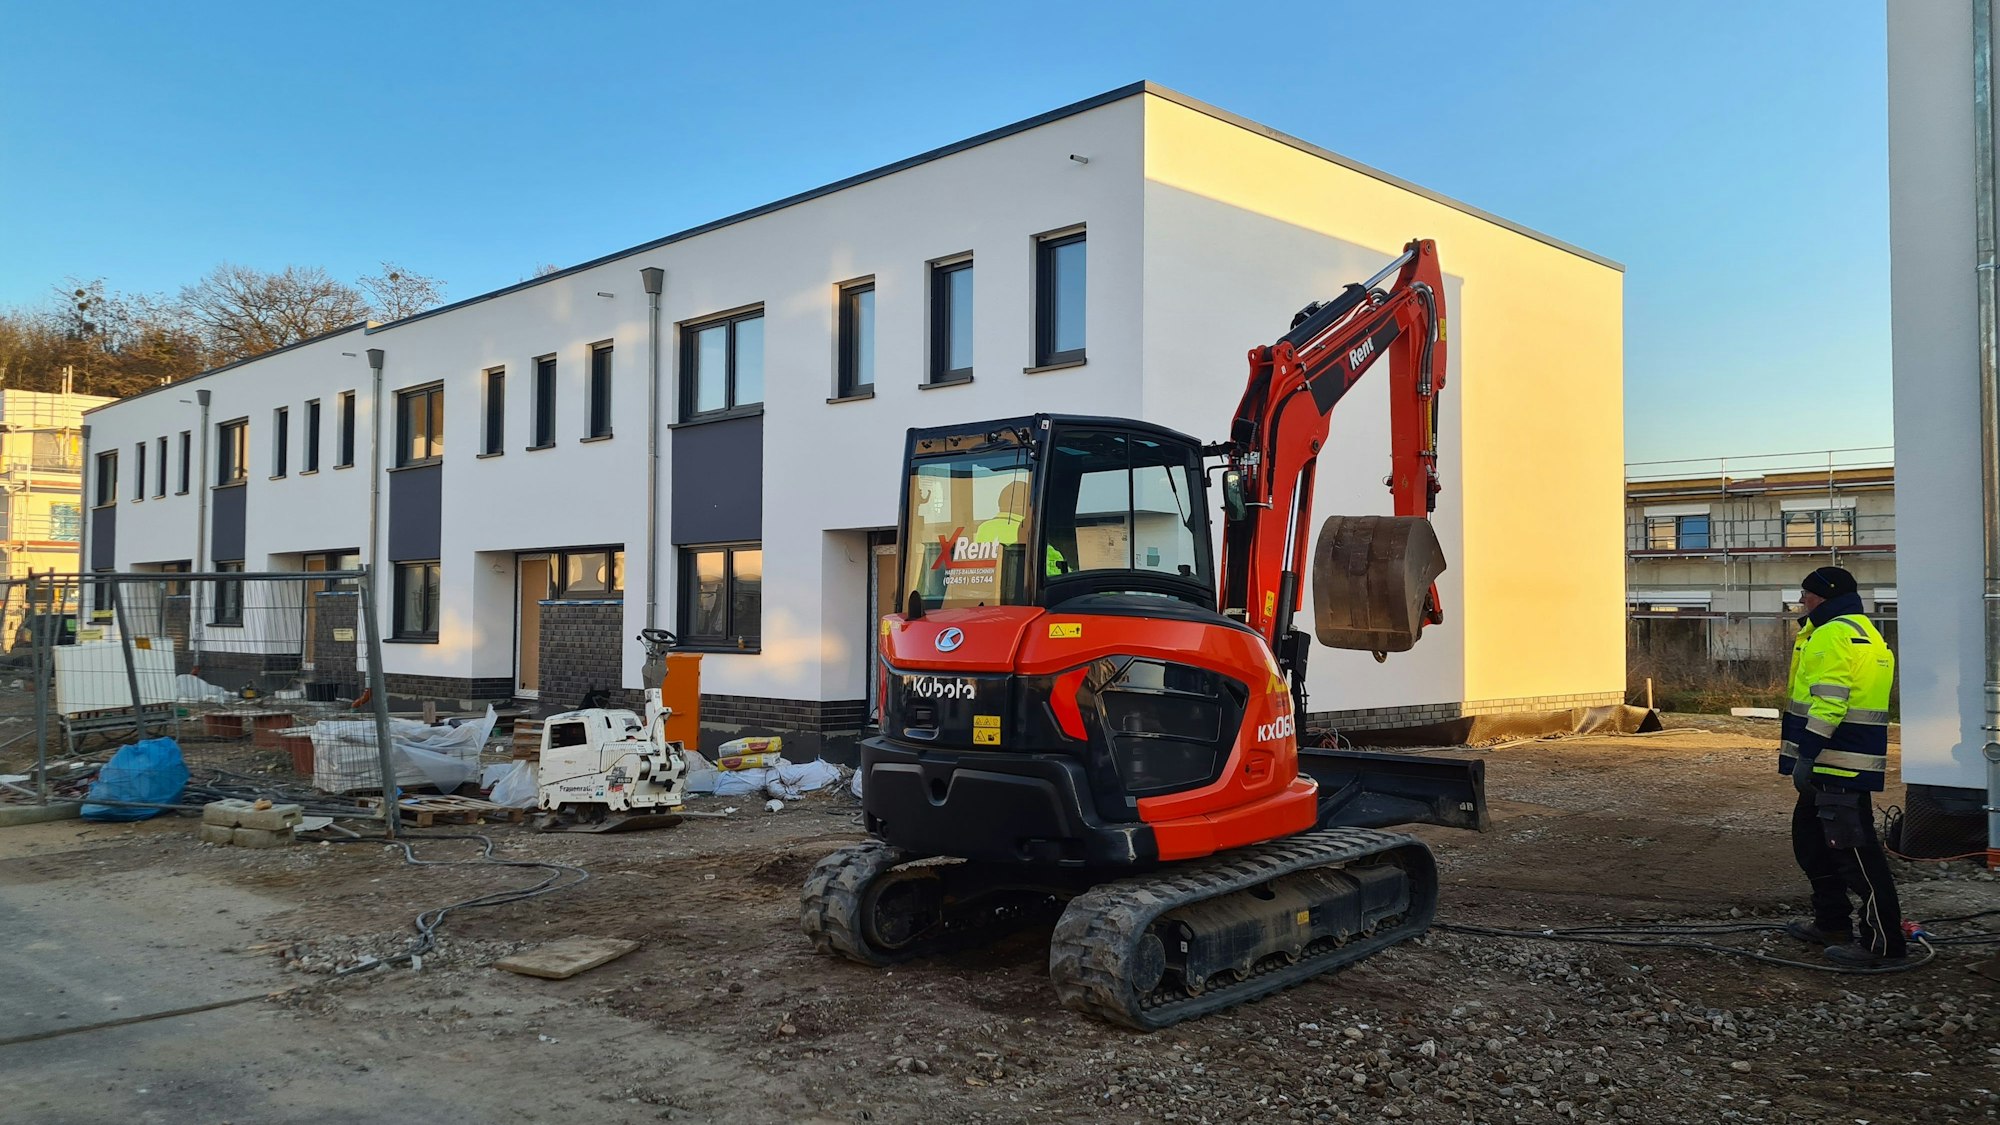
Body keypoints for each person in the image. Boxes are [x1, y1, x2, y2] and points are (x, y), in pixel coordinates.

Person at [1779, 565, 1904, 966]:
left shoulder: (1831, 633)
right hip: (1843, 761)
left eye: (1806, 594)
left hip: (1836, 765)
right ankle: (1831, 921)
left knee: (1856, 854)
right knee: (1811, 841)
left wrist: (1808, 753)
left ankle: (1883, 944)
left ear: (1823, 597)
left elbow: (1830, 701)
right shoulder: (1863, 629)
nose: (1802, 601)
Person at [973, 480, 1067, 576]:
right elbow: (1060, 574)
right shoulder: (1028, 527)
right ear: (1026, 505)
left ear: (1000, 504)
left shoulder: (984, 528)